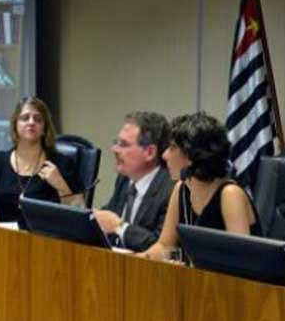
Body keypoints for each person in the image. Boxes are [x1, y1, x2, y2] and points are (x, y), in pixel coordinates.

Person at [141, 111, 261, 262]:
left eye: (172, 148)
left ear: (192, 155)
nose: (164, 155)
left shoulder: (230, 195)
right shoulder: (181, 189)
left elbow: (241, 260)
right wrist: (133, 260)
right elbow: (165, 246)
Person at [0, 97, 81, 224]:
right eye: (25, 118)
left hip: (45, 238)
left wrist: (61, 185)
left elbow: (79, 209)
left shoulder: (62, 164)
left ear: (44, 129)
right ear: (15, 125)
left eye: (38, 119)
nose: (31, 122)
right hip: (2, 235)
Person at [93, 111, 173, 251]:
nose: (114, 149)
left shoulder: (170, 189)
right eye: (116, 142)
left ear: (150, 152)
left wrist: (120, 227)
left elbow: (162, 247)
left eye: (123, 144)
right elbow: (108, 216)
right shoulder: (125, 179)